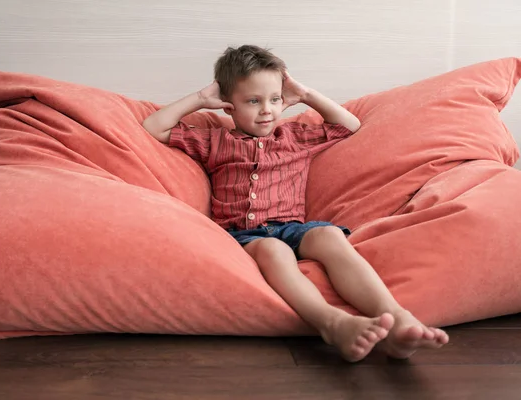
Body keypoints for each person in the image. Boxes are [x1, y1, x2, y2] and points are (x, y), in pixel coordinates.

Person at [142, 44, 449, 362]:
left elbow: (350, 126)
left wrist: (305, 94)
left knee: (329, 235)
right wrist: (202, 98)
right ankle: (332, 322)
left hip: (293, 227)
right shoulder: (214, 141)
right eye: (253, 101)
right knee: (273, 250)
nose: (267, 110)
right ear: (228, 107)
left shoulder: (294, 137)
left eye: (275, 99)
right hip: (243, 235)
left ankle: (397, 318)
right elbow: (153, 127)